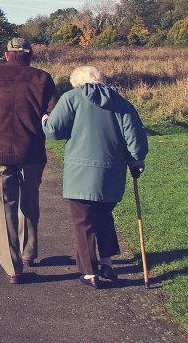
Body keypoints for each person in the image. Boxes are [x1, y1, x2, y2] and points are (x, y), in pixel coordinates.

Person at [42, 66, 148, 289]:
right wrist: (136, 160)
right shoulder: (121, 102)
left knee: (83, 221)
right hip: (112, 173)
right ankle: (107, 263)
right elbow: (135, 137)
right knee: (104, 216)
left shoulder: (72, 98)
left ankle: (90, 272)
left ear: (77, 83)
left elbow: (53, 131)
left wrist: (44, 119)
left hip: (80, 174)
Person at [0, 38, 57, 284]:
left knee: (3, 208)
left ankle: (13, 267)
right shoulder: (42, 78)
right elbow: (54, 115)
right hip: (32, 152)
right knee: (29, 202)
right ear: (29, 55)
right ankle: (28, 252)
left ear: (7, 55)